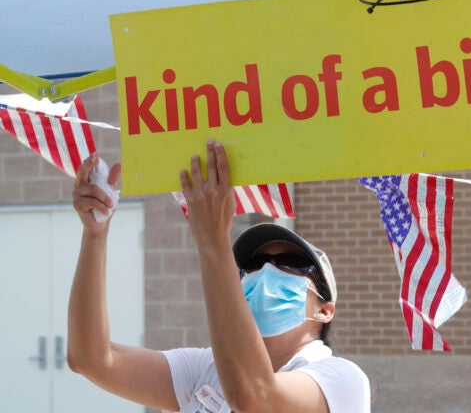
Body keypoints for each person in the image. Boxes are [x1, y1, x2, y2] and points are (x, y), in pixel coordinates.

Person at [67, 139, 371, 412]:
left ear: (325, 309)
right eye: (254, 264)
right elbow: (91, 359)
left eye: (290, 263)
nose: (267, 270)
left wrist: (213, 241)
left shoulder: (341, 379)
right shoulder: (205, 368)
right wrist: (95, 234)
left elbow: (253, 397)